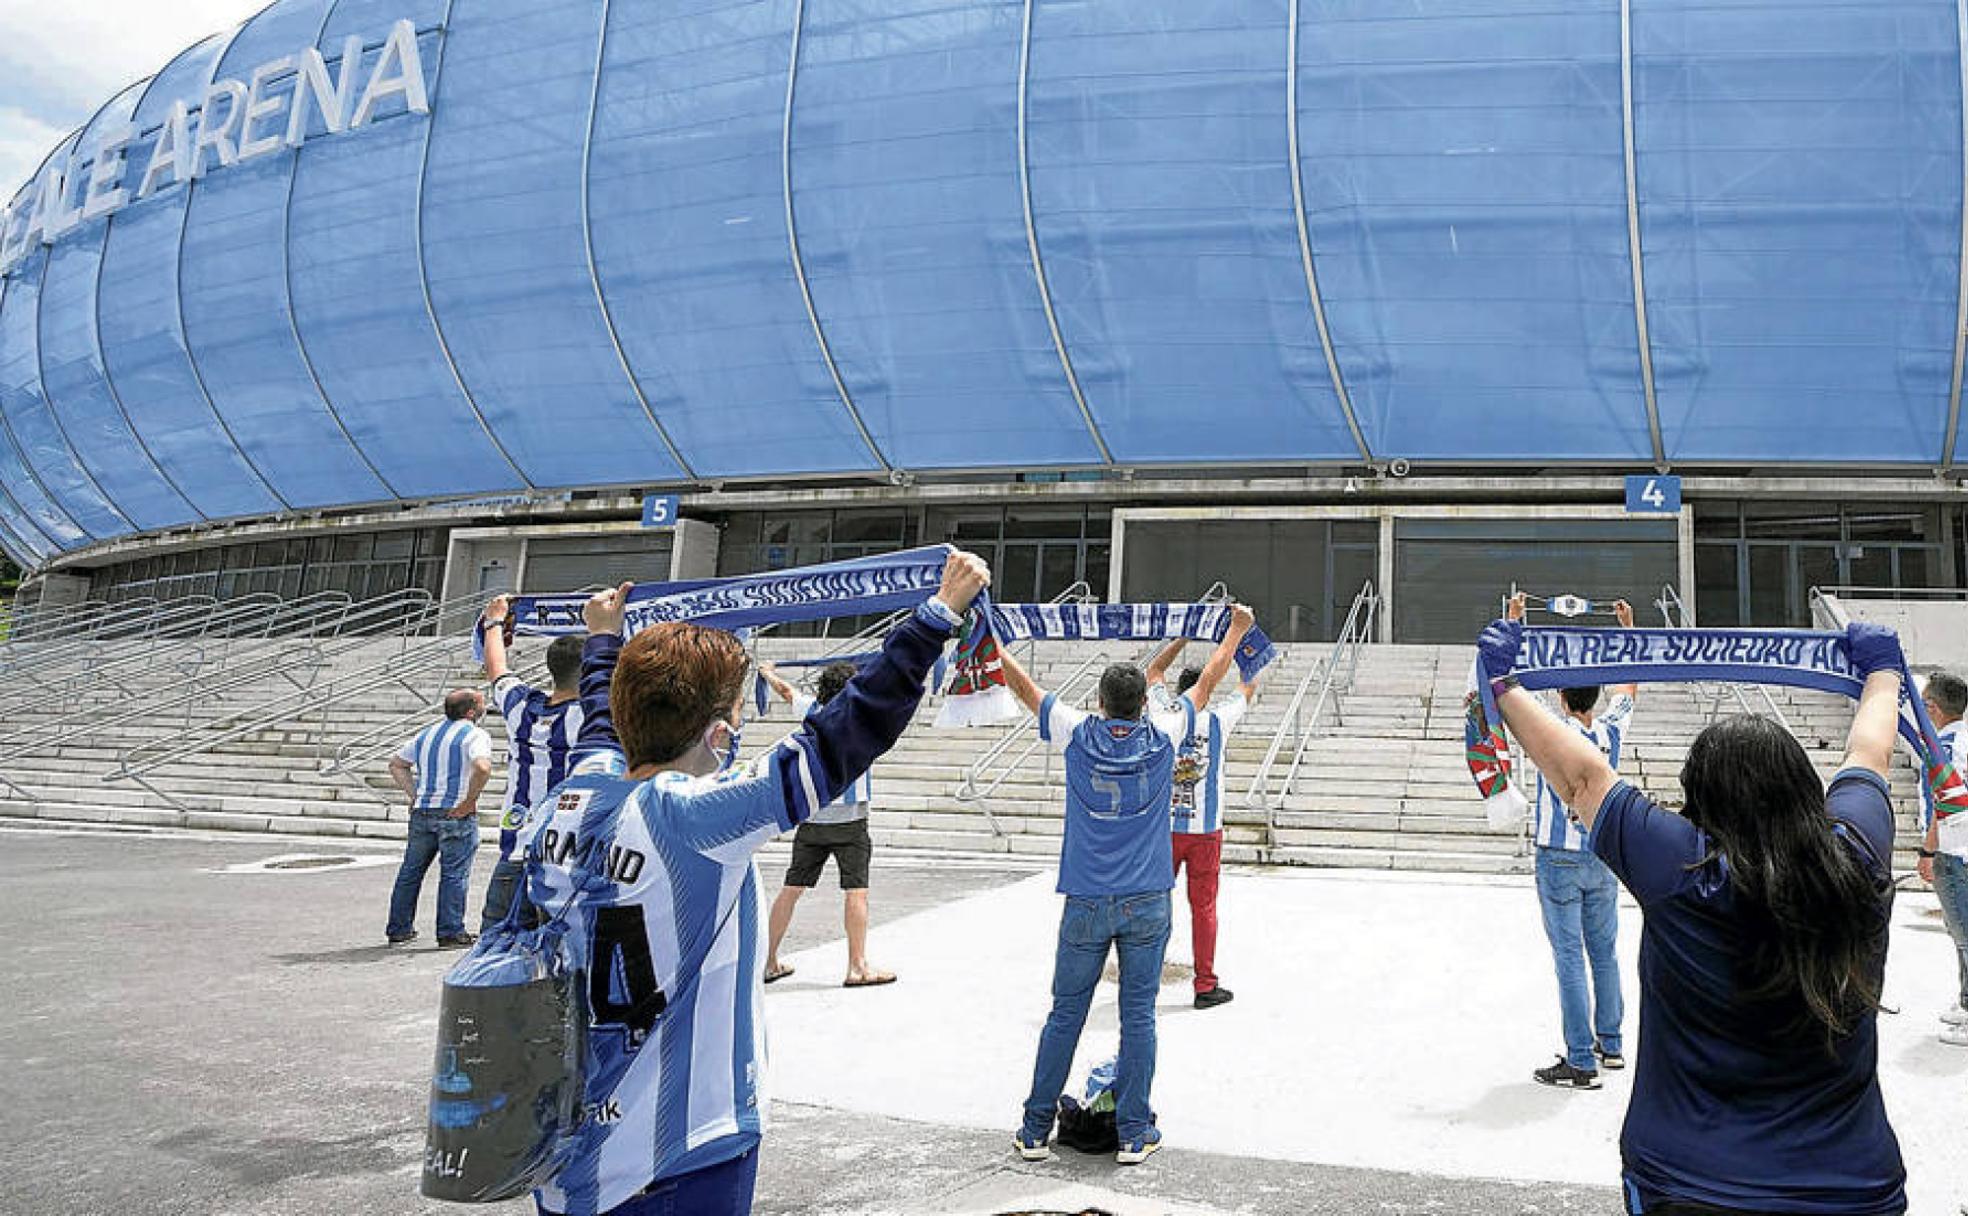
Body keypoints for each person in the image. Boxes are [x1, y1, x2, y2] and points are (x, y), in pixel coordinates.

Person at [511, 551, 987, 1216]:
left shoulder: (566, 799)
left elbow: (599, 722)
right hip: (678, 1158)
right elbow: (842, 736)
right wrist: (936, 616)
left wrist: (602, 639)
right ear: (717, 730)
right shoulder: (694, 819)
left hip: (563, 1153)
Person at [1483, 614, 1908, 1215]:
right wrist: (1884, 672)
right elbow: (1871, 752)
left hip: (1689, 1183)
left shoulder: (1680, 870)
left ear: (1698, 797)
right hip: (1849, 1186)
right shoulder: (1857, 859)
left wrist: (1504, 684)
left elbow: (1582, 780)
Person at [1000, 604, 1255, 1167]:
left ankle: (1035, 1128)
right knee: (1137, 1016)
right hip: (1147, 897)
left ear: (1098, 702)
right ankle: (1134, 1132)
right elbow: (1209, 680)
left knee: (1065, 1014)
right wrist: (1235, 630)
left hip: (1086, 897)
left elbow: (1026, 690)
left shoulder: (1076, 733)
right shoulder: (1165, 731)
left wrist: (992, 645)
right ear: (1145, 703)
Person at [1506, 593, 1639, 1089]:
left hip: (1557, 854)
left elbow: (1510, 681)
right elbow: (1631, 688)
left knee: (1569, 957)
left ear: (1562, 698)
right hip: (1600, 852)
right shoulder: (1609, 731)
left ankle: (1580, 1058)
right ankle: (1612, 1043)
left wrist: (1514, 621)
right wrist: (1628, 628)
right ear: (1595, 698)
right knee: (1603, 951)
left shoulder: (1552, 734)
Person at [758, 660, 895, 988]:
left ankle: (768, 960)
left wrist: (767, 672)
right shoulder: (865, 719)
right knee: (856, 893)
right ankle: (857, 966)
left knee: (792, 888)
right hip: (851, 820)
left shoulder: (815, 712)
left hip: (814, 816)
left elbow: (787, 691)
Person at [1144, 638, 1259, 1010]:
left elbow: (1153, 672)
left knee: (1154, 905)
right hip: (1205, 829)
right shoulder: (1217, 719)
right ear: (1206, 692)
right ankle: (1205, 983)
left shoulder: (1161, 711)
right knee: (1204, 908)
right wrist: (1244, 642)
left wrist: (1181, 636)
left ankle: (1144, 979)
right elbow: (1249, 684)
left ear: (1180, 690)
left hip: (1163, 828)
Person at [475, 594, 586, 931]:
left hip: (516, 854)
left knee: (493, 961)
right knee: (573, 967)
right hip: (570, 861)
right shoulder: (594, 715)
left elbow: (497, 668)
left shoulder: (521, 706)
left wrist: (493, 622)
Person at [384, 688, 492, 948]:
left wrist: (414, 794)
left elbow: (396, 763)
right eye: (481, 703)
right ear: (470, 711)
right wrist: (470, 800)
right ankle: (450, 931)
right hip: (455, 813)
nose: (485, 706)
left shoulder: (427, 733)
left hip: (423, 811)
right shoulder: (475, 734)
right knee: (454, 874)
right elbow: (482, 767)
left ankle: (399, 927)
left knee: (411, 871)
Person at [1916, 670, 1968, 1047]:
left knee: (1964, 934)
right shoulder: (1963, 740)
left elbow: (1945, 803)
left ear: (1932, 707)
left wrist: (1928, 850)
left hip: (1953, 850)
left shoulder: (1943, 748)